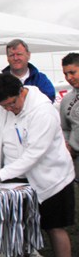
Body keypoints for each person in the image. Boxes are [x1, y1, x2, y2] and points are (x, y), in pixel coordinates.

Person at [0, 73, 75, 257]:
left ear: (22, 91)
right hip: (15, 176)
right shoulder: (2, 107)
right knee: (15, 224)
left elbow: (34, 154)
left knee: (54, 226)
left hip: (52, 177)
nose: (9, 109)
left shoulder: (43, 111)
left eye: (12, 103)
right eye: (4, 106)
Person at [0, 38, 55, 113]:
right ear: (7, 58)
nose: (16, 58)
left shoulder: (40, 79)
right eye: (12, 55)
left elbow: (49, 99)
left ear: (28, 55)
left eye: (19, 54)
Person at [60, 52, 79, 181]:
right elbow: (65, 128)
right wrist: (68, 146)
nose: (69, 77)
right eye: (65, 74)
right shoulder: (66, 100)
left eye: (72, 72)